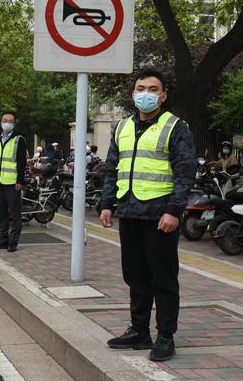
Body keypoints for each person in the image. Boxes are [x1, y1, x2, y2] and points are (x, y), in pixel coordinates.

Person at [99, 68, 196, 362]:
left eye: (153, 89)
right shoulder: (122, 127)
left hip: (160, 216)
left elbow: (185, 172)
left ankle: (165, 336)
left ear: (163, 95)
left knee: (163, 279)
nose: (146, 93)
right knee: (135, 277)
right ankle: (139, 331)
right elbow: (112, 167)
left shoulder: (175, 127)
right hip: (129, 212)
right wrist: (106, 203)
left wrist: (174, 210)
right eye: (141, 87)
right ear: (132, 93)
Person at [0, 111, 27, 253]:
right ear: (1, 122)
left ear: (14, 124)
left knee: (15, 213)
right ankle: (3, 239)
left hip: (12, 183)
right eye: (5, 120)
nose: (7, 123)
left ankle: (13, 241)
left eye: (10, 121)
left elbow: (22, 162)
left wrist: (20, 180)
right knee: (1, 212)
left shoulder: (19, 139)